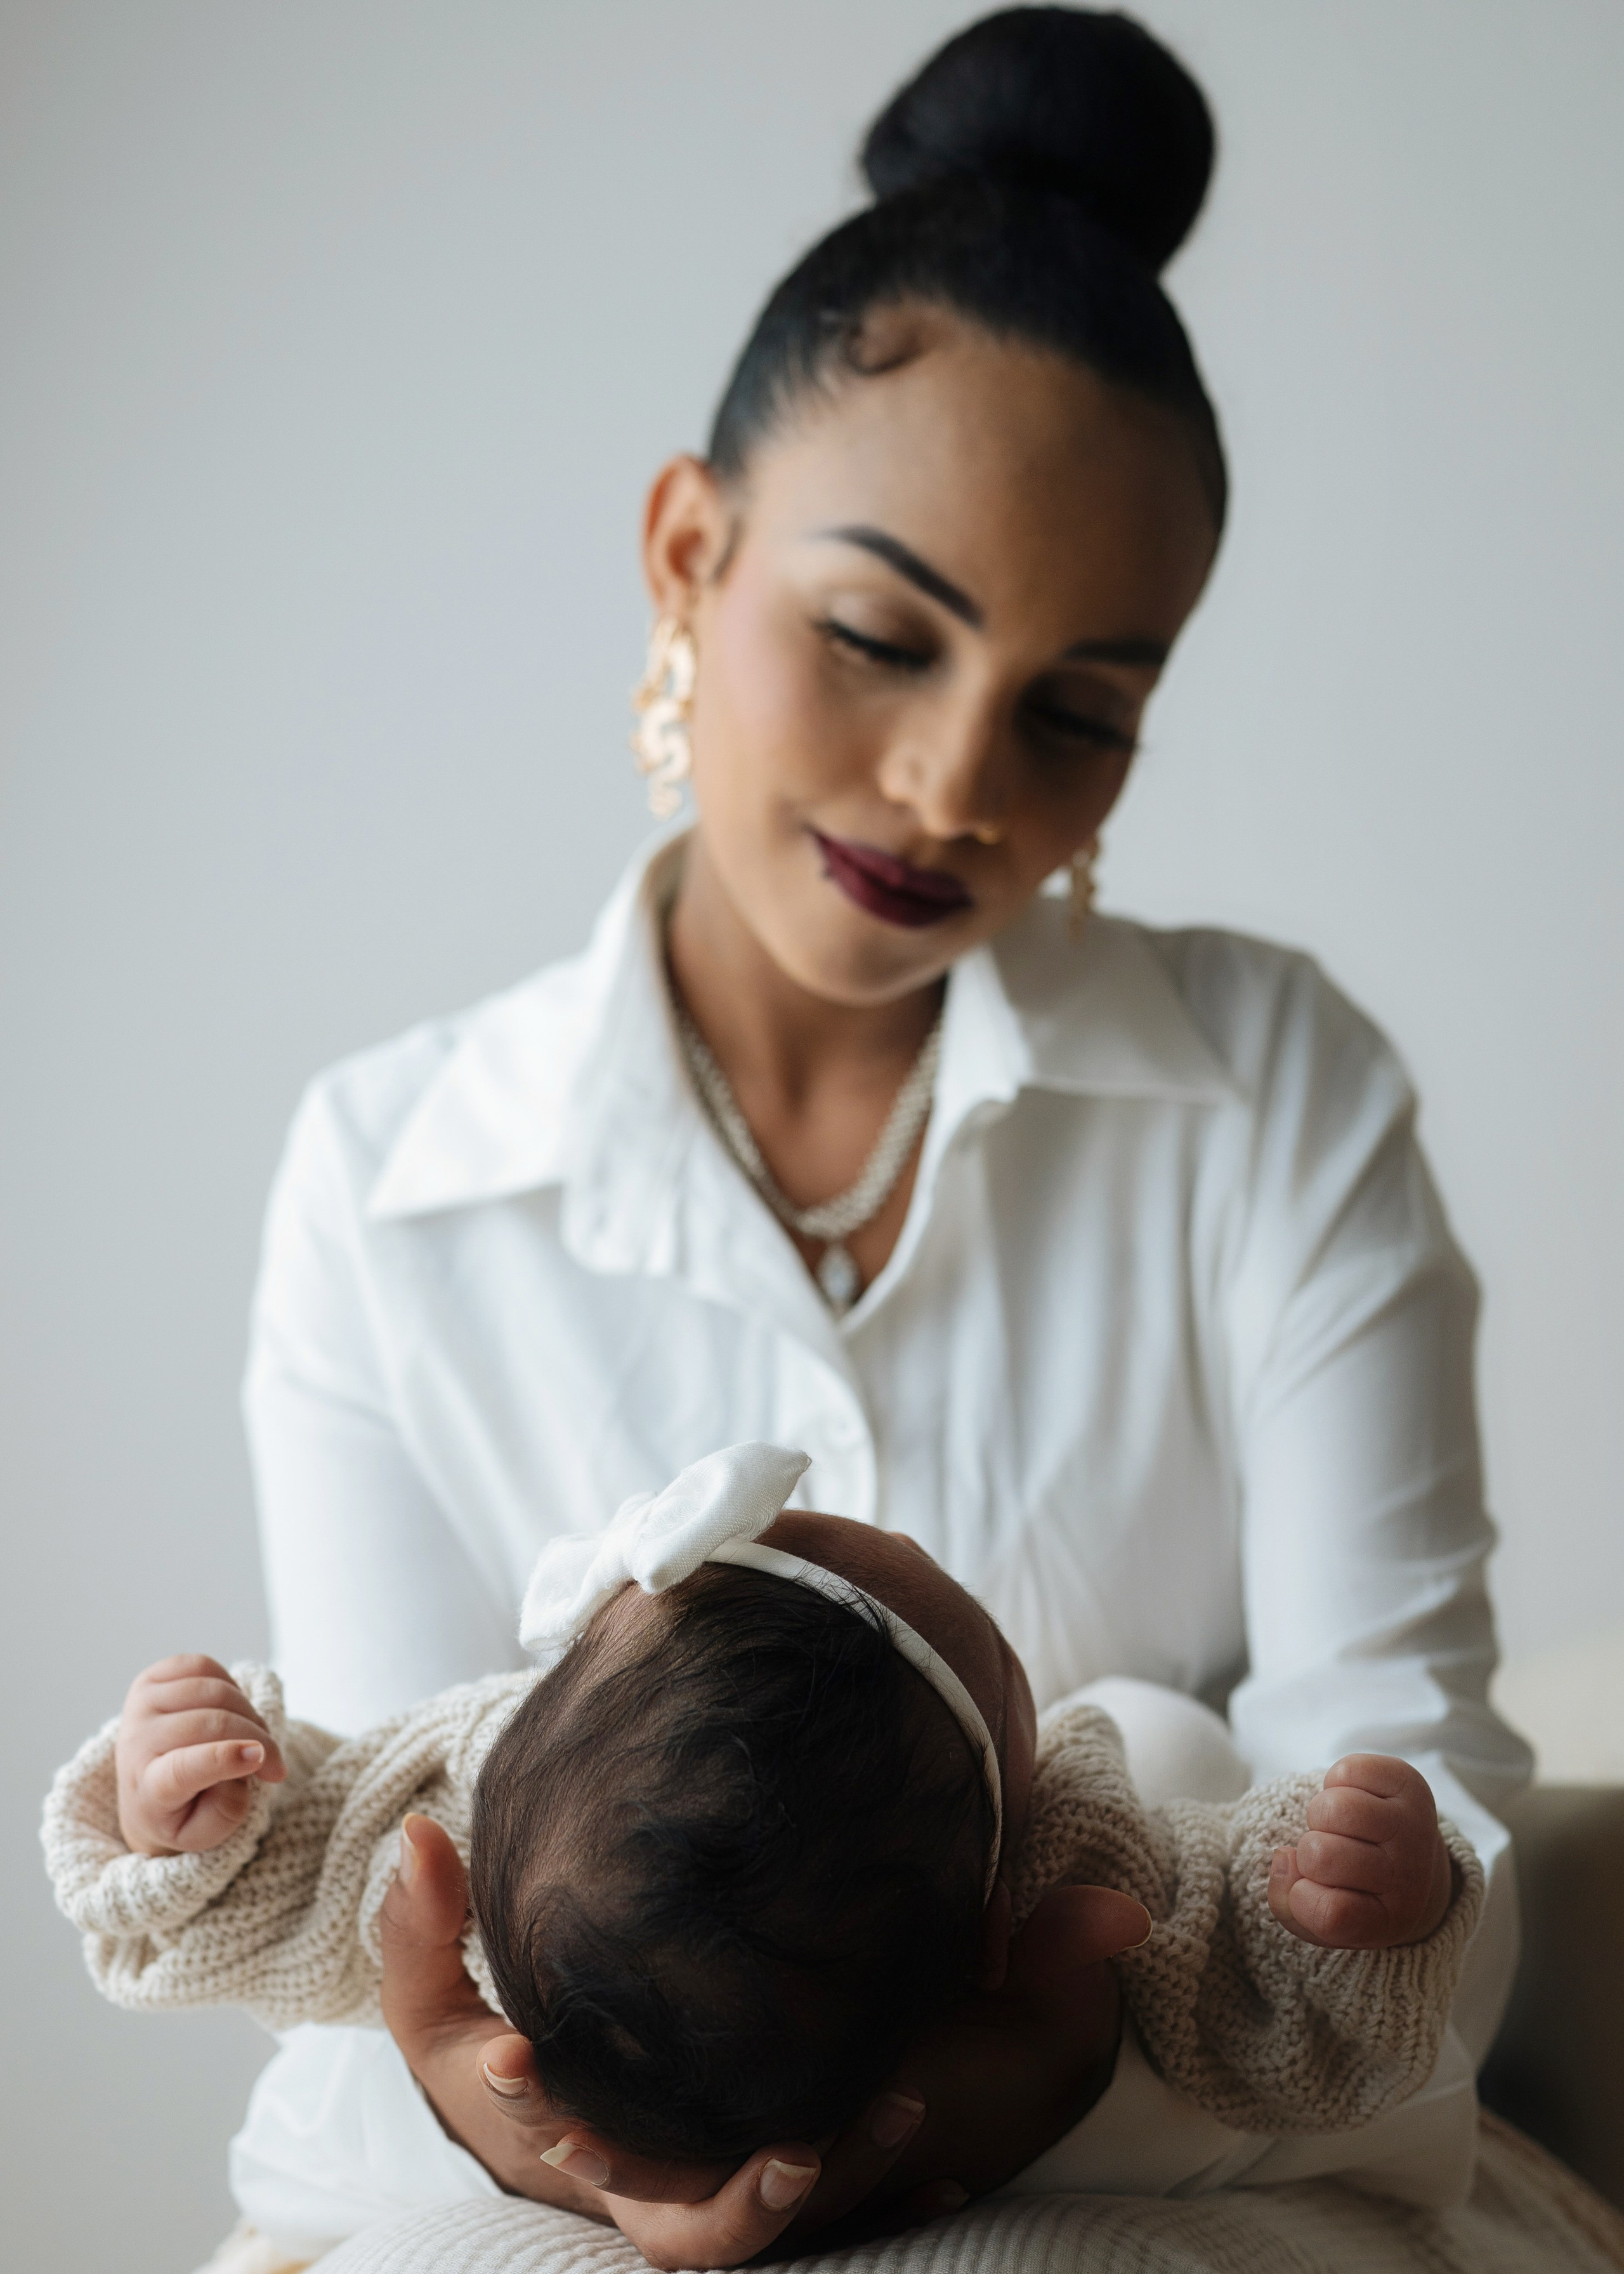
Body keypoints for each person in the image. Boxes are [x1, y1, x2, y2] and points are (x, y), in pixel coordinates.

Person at [218, 6, 1533, 2267]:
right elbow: (375, 1895)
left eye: (1078, 710)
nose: (953, 787)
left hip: (1168, 2154)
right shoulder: (390, 1179)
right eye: (875, 635)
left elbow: (1421, 1856)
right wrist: (524, 2123)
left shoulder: (1276, 1093)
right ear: (688, 554)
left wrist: (1032, 2083)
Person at [48, 1445, 1484, 2207]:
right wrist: (1351, 1904)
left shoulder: (468, 1809)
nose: (905, 1539)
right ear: (998, 1897)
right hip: (994, 2099)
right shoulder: (1070, 1843)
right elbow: (1250, 2000)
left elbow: (270, 1896)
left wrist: (190, 1823)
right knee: (1167, 1739)